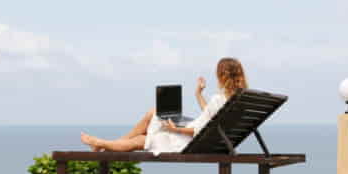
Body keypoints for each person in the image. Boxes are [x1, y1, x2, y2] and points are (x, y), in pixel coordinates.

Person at [81, 57, 248, 155]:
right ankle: (107, 143)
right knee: (154, 114)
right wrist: (198, 94)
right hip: (210, 141)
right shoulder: (239, 98)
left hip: (190, 141)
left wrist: (175, 130)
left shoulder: (219, 99)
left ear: (220, 76)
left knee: (142, 138)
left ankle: (101, 143)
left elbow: (200, 130)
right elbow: (210, 116)